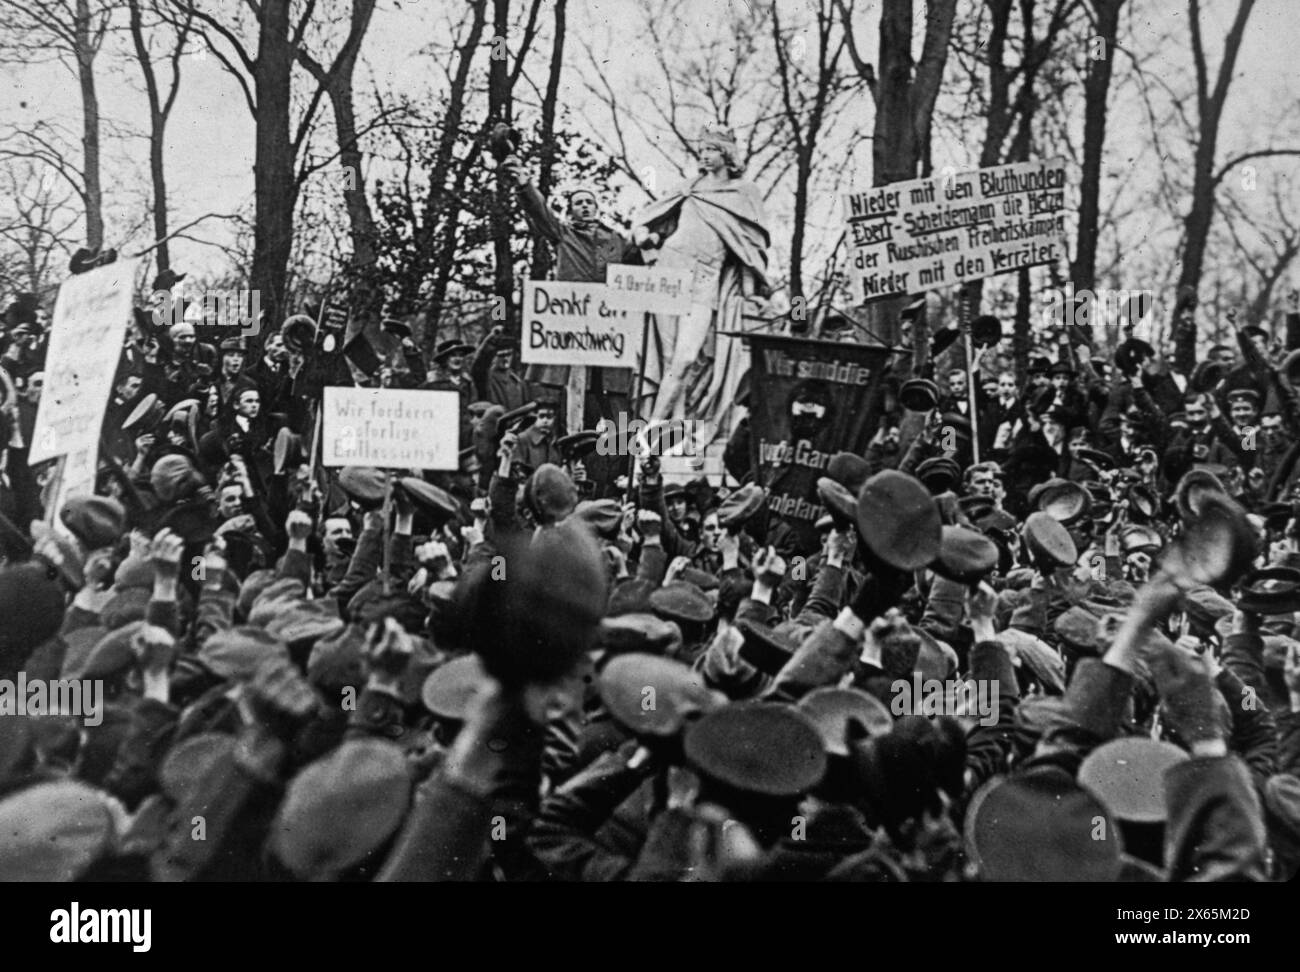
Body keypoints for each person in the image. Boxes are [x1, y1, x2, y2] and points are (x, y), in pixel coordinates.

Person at [631, 126, 772, 435]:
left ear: (726, 154)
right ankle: (667, 430)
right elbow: (647, 218)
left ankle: (654, 427)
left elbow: (748, 248)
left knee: (686, 357)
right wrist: (643, 235)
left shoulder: (745, 192)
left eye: (710, 149)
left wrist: (750, 292)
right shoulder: (689, 187)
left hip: (706, 279)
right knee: (670, 358)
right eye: (702, 150)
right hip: (671, 269)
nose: (704, 155)